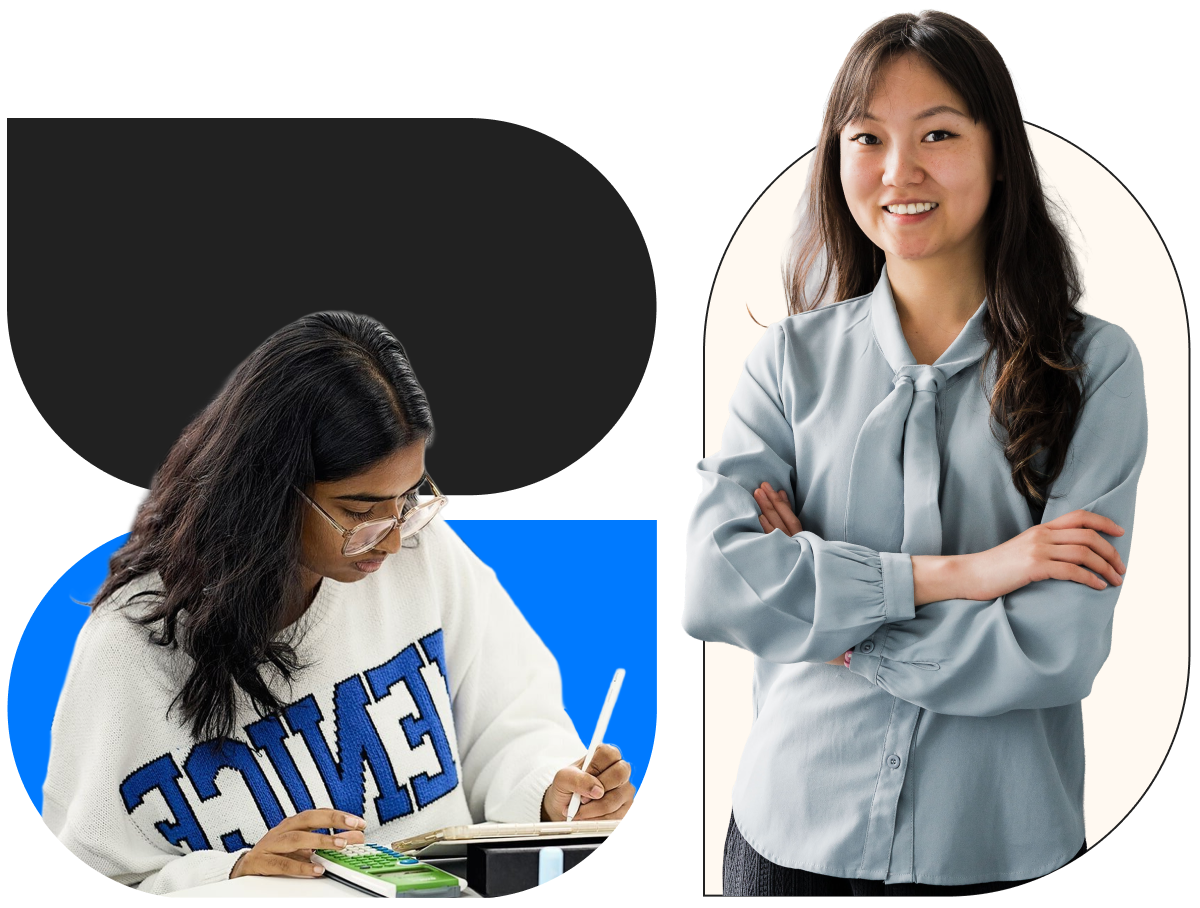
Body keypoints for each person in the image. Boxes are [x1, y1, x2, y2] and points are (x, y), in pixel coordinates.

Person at [683, 10, 1146, 897]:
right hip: (789, 837)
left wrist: (831, 616)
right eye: (868, 138)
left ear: (1000, 152)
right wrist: (971, 574)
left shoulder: (1096, 367)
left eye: (938, 134)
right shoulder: (785, 363)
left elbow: (1057, 645)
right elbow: (716, 587)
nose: (900, 171)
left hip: (994, 847)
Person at [41, 311, 635, 894]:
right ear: (267, 489)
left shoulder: (421, 548)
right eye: (359, 511)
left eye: (409, 498)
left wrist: (549, 790)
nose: (394, 539)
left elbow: (510, 722)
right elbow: (100, 862)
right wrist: (234, 872)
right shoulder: (130, 646)